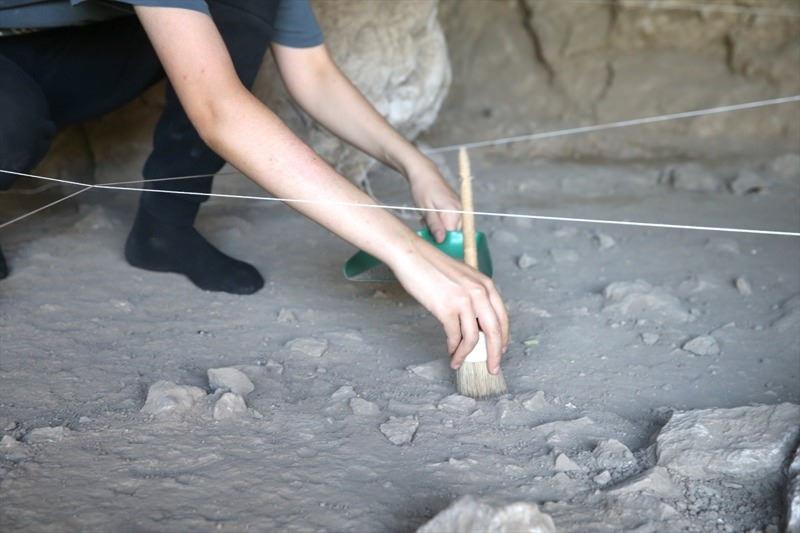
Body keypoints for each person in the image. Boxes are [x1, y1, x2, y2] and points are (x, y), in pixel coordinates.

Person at [0, 0, 509, 373]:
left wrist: (414, 165)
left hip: (51, 55)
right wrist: (407, 252)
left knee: (239, 8)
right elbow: (219, 109)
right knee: (9, 119)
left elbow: (313, 74)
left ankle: (164, 231)